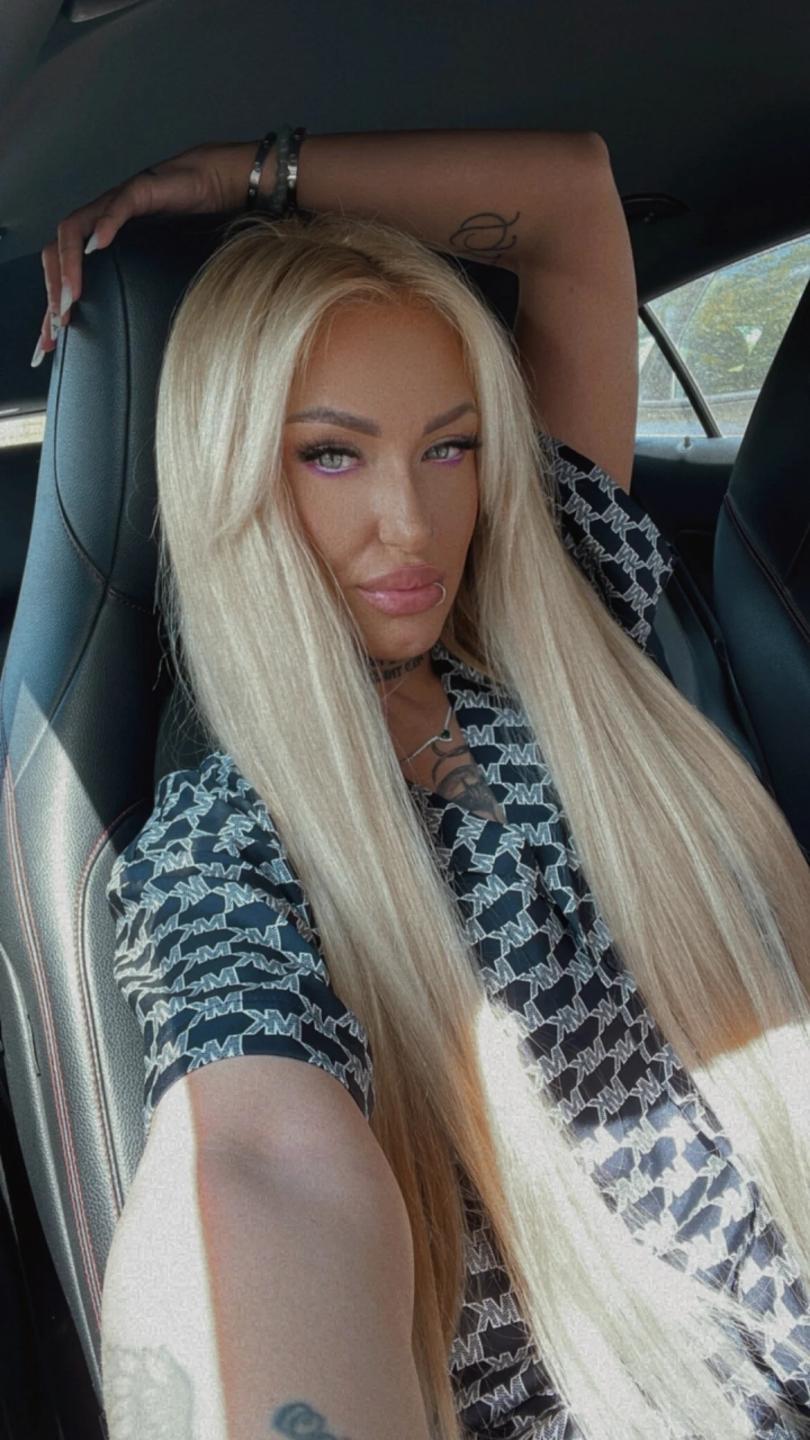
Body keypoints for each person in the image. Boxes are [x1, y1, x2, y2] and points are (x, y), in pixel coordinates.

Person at [43, 130, 810, 1440]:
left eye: (449, 449)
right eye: (332, 455)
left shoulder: (565, 608)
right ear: (233, 467)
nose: (411, 524)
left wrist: (232, 177)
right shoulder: (226, 842)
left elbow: (569, 198)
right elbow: (256, 1165)